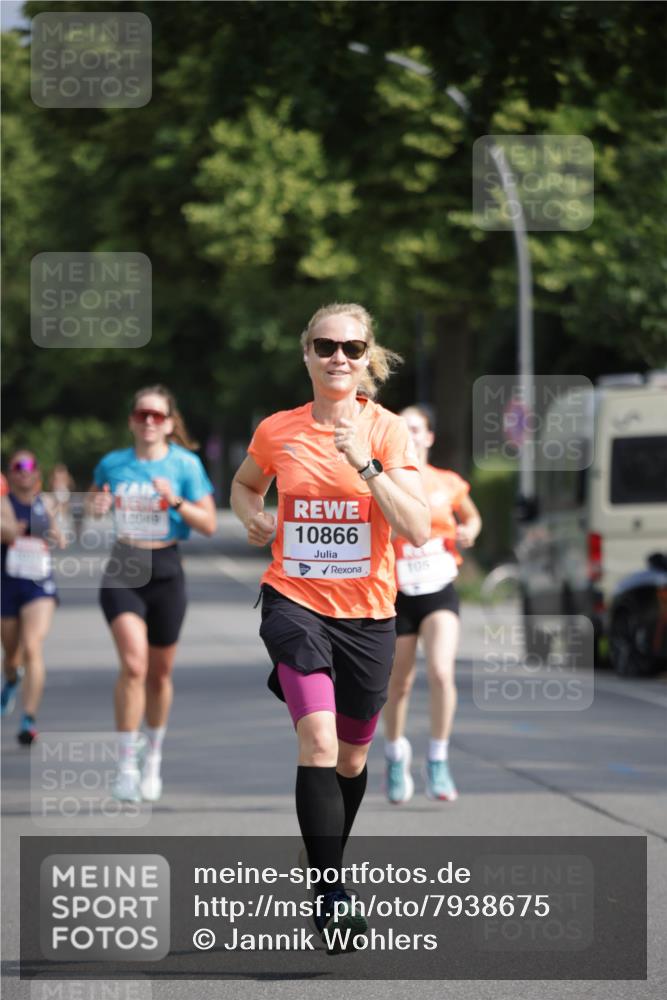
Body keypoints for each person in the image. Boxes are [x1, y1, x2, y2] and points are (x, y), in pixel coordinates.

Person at [231, 303, 430, 950]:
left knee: (350, 757)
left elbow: (417, 527)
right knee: (316, 744)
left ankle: (325, 864)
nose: (337, 357)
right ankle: (329, 894)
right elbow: (244, 483)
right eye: (325, 345)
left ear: (367, 355)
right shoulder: (277, 430)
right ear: (306, 353)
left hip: (369, 614)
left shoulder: (388, 432)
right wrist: (251, 515)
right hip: (294, 600)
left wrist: (366, 467)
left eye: (350, 347)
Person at [90, 385, 216, 803]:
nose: (148, 421)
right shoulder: (113, 463)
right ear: (131, 419)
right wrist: (97, 507)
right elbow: (93, 503)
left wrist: (174, 500)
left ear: (168, 422)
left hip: (166, 569)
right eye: (142, 413)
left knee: (159, 674)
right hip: (125, 564)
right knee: (134, 664)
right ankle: (126, 764)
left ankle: (154, 757)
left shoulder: (185, 464)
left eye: (157, 415)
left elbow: (209, 524)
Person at [382, 406, 482, 804]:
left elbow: (472, 518)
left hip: (439, 586)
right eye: (402, 427)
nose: (409, 433)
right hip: (396, 591)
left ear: (429, 437)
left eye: (416, 428)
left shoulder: (446, 482)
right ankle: (394, 755)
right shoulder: (385, 479)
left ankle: (437, 761)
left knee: (442, 673)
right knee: (399, 682)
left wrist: (468, 532)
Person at [1, 452, 63, 741]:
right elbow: (5, 530)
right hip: (7, 584)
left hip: (38, 585)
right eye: (17, 467)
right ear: (10, 474)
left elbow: (59, 536)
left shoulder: (46, 502)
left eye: (29, 467)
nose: (23, 472)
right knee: (12, 656)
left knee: (32, 646)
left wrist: (54, 535)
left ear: (37, 473)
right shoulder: (3, 503)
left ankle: (28, 719)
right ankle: (12, 679)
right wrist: (13, 530)